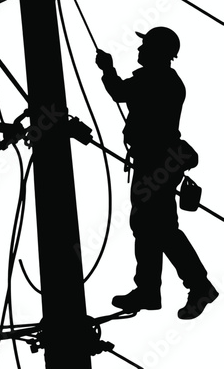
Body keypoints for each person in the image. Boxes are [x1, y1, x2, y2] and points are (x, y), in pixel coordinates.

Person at [95, 26, 218, 320]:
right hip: (158, 161)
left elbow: (120, 92)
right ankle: (152, 289)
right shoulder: (166, 80)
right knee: (151, 226)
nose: (139, 50)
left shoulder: (156, 79)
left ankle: (194, 285)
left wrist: (108, 69)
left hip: (156, 163)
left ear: (156, 51)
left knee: (157, 227)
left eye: (144, 46)